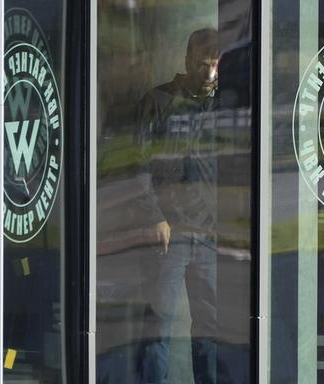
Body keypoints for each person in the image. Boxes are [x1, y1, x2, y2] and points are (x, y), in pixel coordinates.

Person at [134, 28, 220, 384]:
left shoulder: (226, 102)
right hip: (169, 234)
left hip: (212, 234)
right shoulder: (157, 102)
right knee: (158, 325)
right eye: (203, 65)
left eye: (216, 66)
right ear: (187, 60)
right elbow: (134, 164)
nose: (211, 75)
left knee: (212, 330)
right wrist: (155, 217)